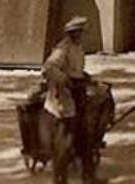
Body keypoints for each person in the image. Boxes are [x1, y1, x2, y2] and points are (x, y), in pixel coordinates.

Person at [41, 17, 95, 183]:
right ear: (72, 33)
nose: (80, 35)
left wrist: (84, 77)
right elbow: (48, 68)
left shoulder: (77, 48)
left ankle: (88, 176)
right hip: (64, 97)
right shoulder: (62, 49)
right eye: (78, 32)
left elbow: (76, 69)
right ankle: (60, 179)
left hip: (78, 94)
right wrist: (65, 80)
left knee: (85, 136)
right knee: (65, 140)